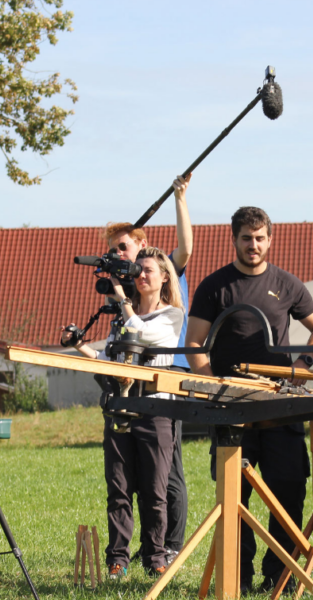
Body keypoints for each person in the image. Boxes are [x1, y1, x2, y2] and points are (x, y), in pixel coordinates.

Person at [186, 206, 313, 595]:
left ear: (270, 239)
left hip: (279, 404)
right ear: (234, 239)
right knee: (234, 493)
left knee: (288, 490)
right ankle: (238, 577)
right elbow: (194, 343)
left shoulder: (287, 283)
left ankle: (280, 575)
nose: (254, 245)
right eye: (247, 238)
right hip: (232, 407)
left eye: (260, 238)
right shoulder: (214, 286)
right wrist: (213, 386)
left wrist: (301, 367)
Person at [74, 247, 185, 578]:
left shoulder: (172, 315)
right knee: (119, 488)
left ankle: (155, 559)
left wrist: (123, 300)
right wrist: (79, 346)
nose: (142, 275)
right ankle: (118, 560)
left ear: (164, 278)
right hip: (121, 406)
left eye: (148, 270)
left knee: (154, 491)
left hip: (155, 409)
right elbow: (111, 357)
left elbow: (143, 335)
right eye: (139, 270)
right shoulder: (124, 315)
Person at [101, 175, 193, 562]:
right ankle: (128, 553)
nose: (120, 256)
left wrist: (180, 199)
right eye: (113, 250)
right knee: (124, 483)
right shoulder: (126, 295)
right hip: (126, 398)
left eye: (124, 247)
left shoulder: (160, 276)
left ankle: (166, 548)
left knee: (166, 479)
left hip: (163, 391)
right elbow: (113, 347)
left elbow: (185, 249)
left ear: (142, 245)